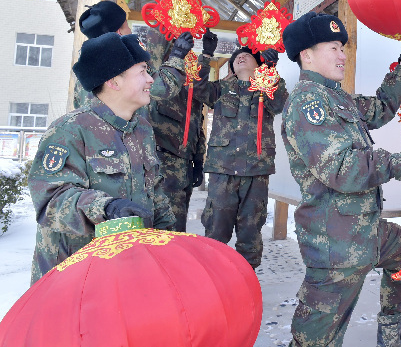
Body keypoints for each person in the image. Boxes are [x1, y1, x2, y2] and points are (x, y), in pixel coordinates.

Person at [281, 11, 401, 347]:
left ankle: (389, 336)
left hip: (366, 230)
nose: (343, 54)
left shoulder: (338, 98)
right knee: (315, 340)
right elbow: (341, 168)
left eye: (343, 47)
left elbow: (382, 107)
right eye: (334, 47)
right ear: (306, 54)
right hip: (335, 243)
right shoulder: (308, 101)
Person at [28, 33, 176, 284]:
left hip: (126, 271)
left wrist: (169, 239)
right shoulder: (70, 129)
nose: (151, 79)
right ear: (114, 82)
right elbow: (50, 199)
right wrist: (106, 208)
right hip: (74, 274)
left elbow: (155, 191)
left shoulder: (141, 129)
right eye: (142, 71)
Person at [192, 39, 288, 271]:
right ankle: (214, 279)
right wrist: (205, 55)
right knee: (216, 228)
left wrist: (271, 71)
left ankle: (247, 280)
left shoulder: (268, 86)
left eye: (247, 55)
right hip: (222, 170)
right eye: (236, 58)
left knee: (251, 231)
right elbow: (197, 88)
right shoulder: (222, 89)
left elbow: (280, 104)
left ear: (258, 64)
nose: (240, 57)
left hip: (256, 171)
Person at [144, 27, 210, 232]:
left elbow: (197, 123)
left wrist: (198, 160)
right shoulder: (155, 80)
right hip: (161, 160)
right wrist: (169, 30)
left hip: (183, 166)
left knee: (177, 231)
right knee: (159, 233)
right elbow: (154, 51)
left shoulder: (189, 82)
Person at [73, 0, 132, 109]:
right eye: (127, 26)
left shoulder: (83, 75)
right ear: (119, 32)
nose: (130, 31)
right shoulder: (126, 64)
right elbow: (161, 89)